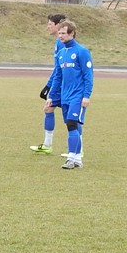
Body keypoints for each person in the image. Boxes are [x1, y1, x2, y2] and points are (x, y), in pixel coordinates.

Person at [45, 19, 93, 169]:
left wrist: (86, 95)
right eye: (59, 33)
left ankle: (71, 158)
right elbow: (58, 77)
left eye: (63, 33)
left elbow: (88, 75)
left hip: (77, 96)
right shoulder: (61, 53)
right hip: (65, 95)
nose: (60, 36)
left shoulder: (82, 51)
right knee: (71, 124)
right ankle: (77, 158)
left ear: (72, 33)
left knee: (72, 124)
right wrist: (51, 96)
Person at [31, 14, 67, 155]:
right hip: (59, 84)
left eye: (50, 23)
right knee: (48, 109)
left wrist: (50, 85)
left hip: (67, 86)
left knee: (70, 118)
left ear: (58, 25)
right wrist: (48, 86)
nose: (48, 26)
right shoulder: (58, 42)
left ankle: (78, 151)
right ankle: (47, 144)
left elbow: (62, 68)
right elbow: (57, 69)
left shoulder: (64, 43)